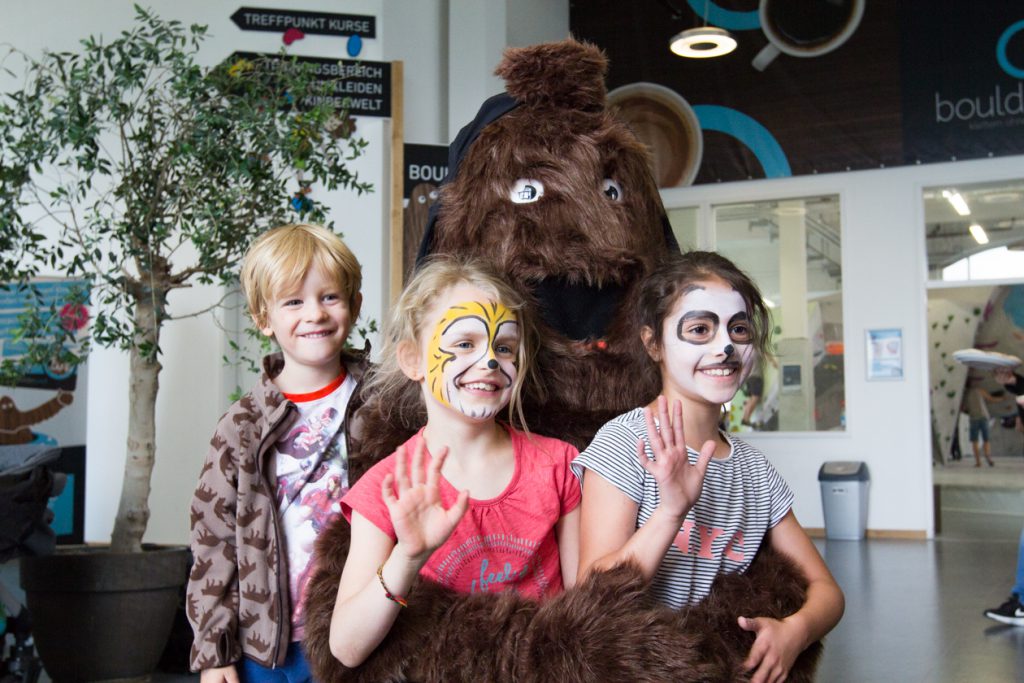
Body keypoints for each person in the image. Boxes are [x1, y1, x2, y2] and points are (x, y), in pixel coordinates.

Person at [573, 251, 844, 683]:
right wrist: (669, 512)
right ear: (653, 343)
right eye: (700, 329)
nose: (725, 347)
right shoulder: (622, 444)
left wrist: (795, 631)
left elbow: (827, 592)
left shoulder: (756, 473)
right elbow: (591, 590)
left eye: (738, 329)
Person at [328, 256, 581, 668]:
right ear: (413, 360)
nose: (490, 362)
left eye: (504, 347)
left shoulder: (558, 464)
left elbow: (586, 610)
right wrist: (407, 557)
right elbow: (346, 647)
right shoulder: (387, 486)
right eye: (465, 344)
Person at [186, 223, 366, 683]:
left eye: (330, 297)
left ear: (354, 305)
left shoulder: (384, 403)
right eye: (294, 302)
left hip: (361, 633)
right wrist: (214, 650)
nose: (315, 314)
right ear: (263, 318)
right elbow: (213, 540)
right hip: (265, 645)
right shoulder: (241, 426)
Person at [963, 377, 999, 467]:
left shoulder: (964, 394)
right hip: (984, 417)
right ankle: (988, 458)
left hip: (973, 418)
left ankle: (978, 462)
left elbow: (963, 408)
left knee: (974, 441)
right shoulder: (979, 390)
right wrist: (1003, 399)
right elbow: (991, 398)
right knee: (986, 439)